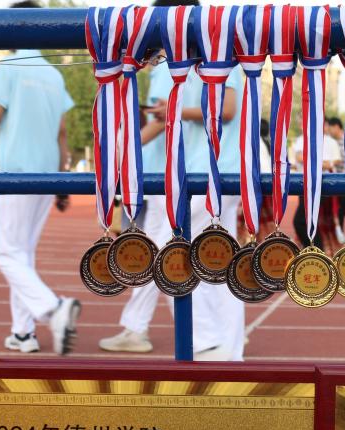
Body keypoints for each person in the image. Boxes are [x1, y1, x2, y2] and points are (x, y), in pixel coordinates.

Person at [98, 0, 245, 359]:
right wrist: (123, 152)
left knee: (167, 251)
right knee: (218, 261)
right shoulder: (187, 61)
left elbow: (227, 110)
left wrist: (174, 111)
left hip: (210, 172)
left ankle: (206, 340)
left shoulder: (220, 55)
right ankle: (229, 349)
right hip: (204, 171)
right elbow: (163, 120)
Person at [0, 0, 80, 355]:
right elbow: (62, 133)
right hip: (45, 177)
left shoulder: (10, 67)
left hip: (14, 175)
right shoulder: (54, 75)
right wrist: (62, 181)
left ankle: (54, 309)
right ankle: (23, 333)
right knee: (21, 255)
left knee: (7, 254)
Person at [291, 117, 344, 253]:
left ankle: (317, 251)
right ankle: (316, 251)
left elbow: (336, 161)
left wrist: (314, 162)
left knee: (305, 220)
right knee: (307, 219)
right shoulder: (302, 139)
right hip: (305, 183)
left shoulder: (330, 141)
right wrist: (322, 162)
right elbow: (298, 157)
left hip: (324, 183)